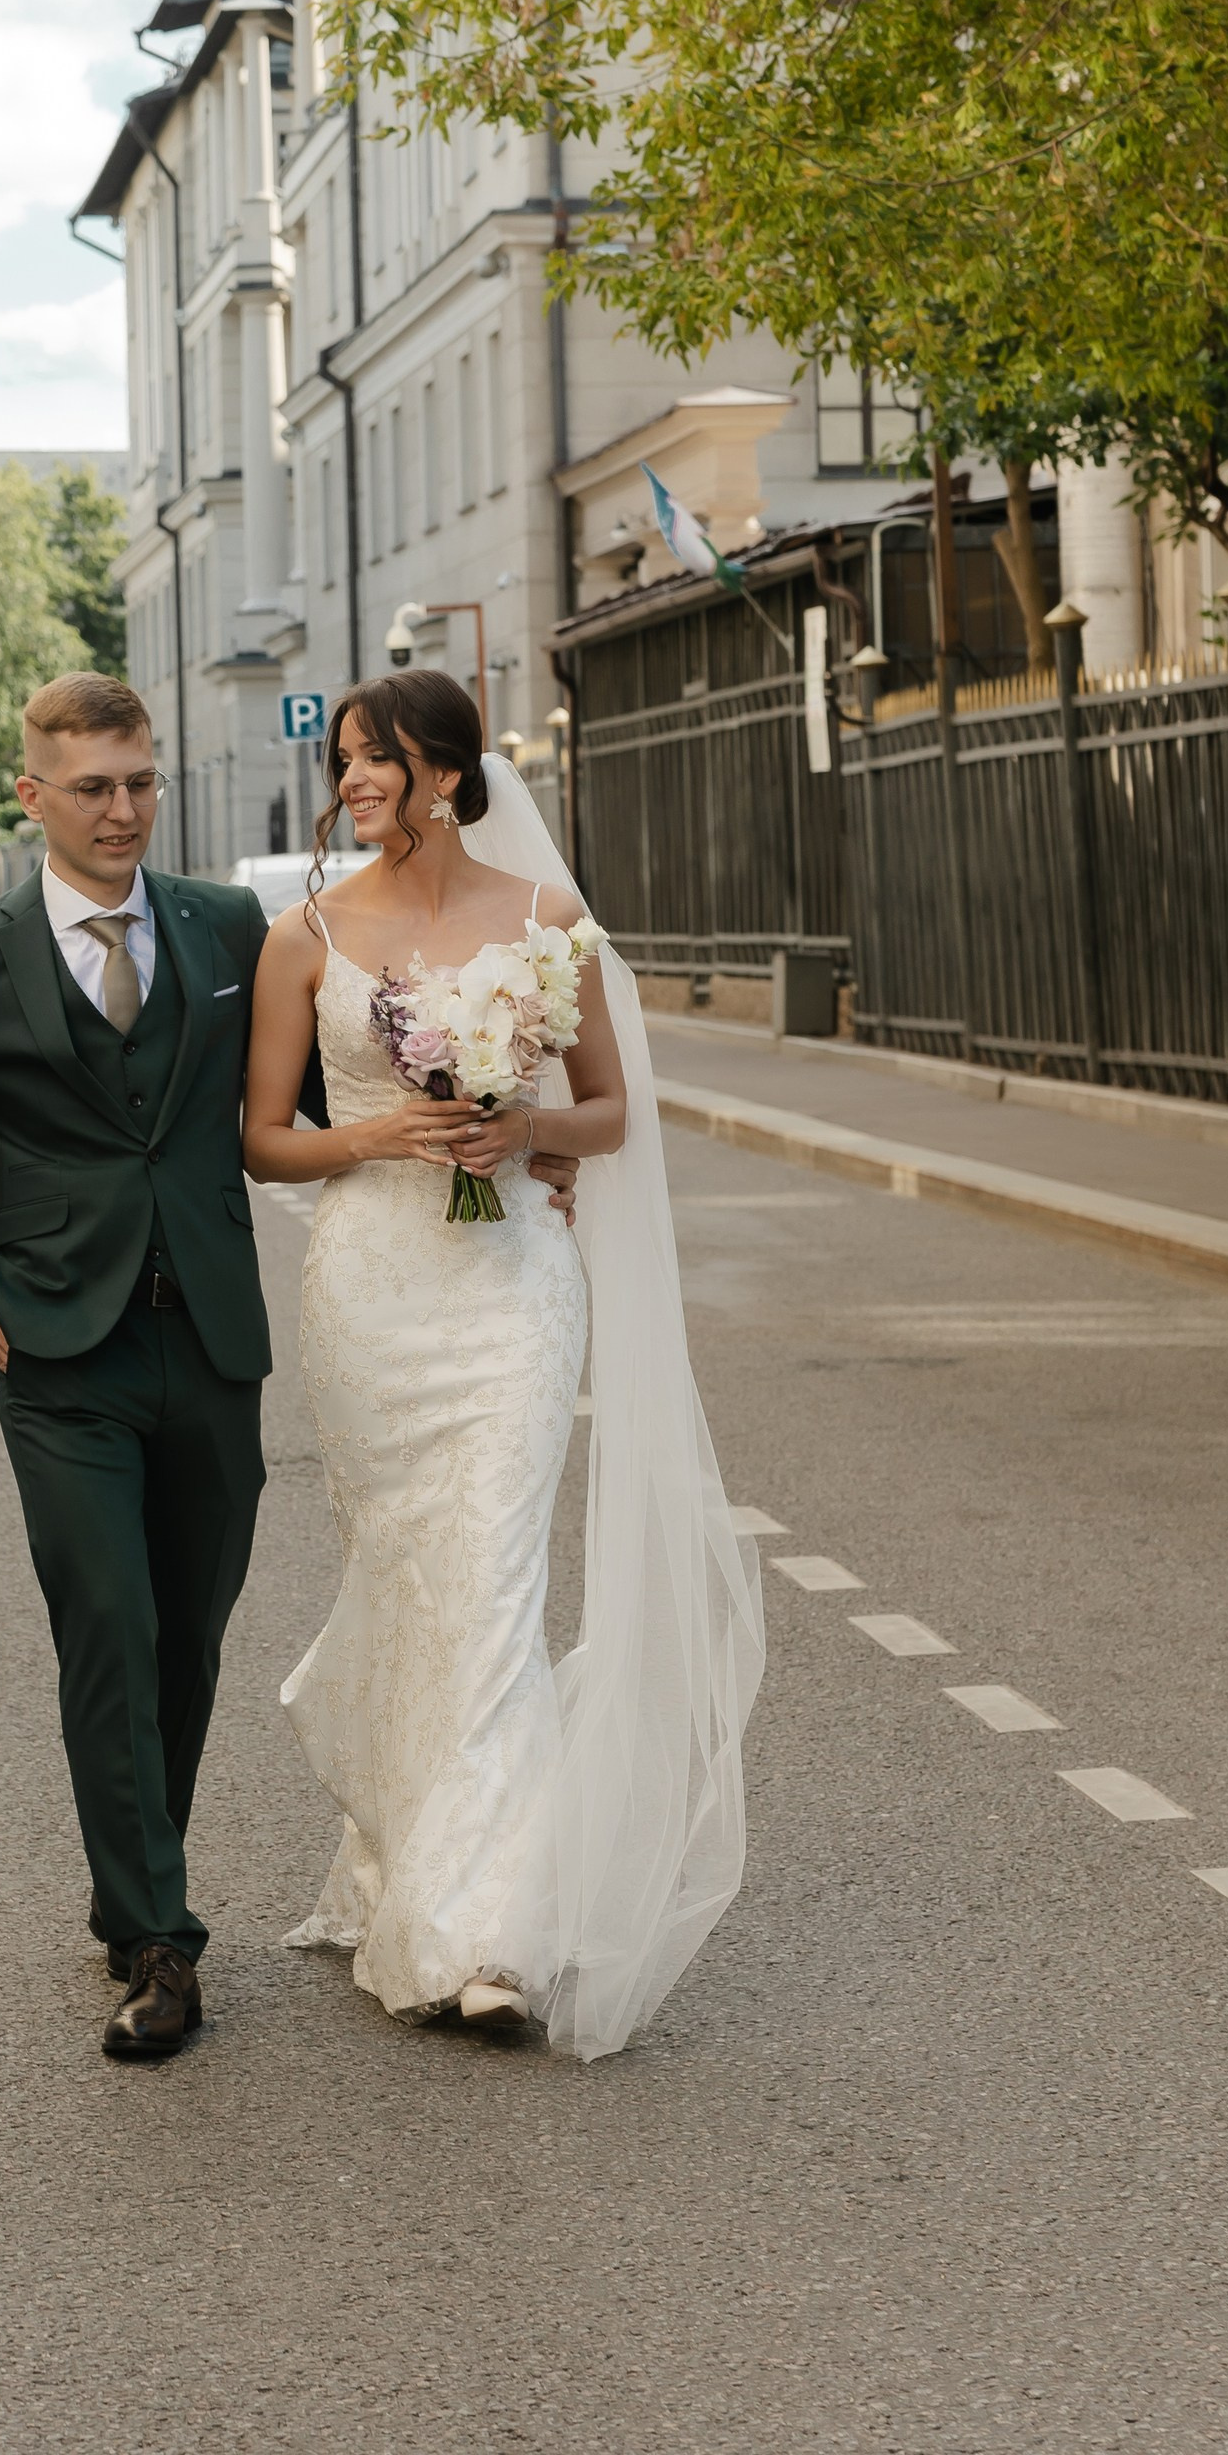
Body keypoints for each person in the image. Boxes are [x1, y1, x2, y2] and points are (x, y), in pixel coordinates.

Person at [243, 670, 764, 2058]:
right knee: (408, 1575)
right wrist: (377, 1138)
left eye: (371, 761)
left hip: (514, 1286)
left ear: (445, 772)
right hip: (371, 1289)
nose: (349, 783)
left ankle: (486, 1934)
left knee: (491, 1579)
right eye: (345, 762)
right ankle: (406, 1859)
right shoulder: (304, 938)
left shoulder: (546, 926)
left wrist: (519, 1128)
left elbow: (611, 1113)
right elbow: (263, 1138)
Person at [0, 674, 278, 2059]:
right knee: (110, 1628)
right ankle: (159, 1939)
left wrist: (479, 1107)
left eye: (141, 781)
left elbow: (310, 1103)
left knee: (191, 1644)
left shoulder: (228, 928)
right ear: (31, 796)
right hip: (59, 1354)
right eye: (93, 786)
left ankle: (132, 1886)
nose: (123, 810)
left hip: (210, 1341)